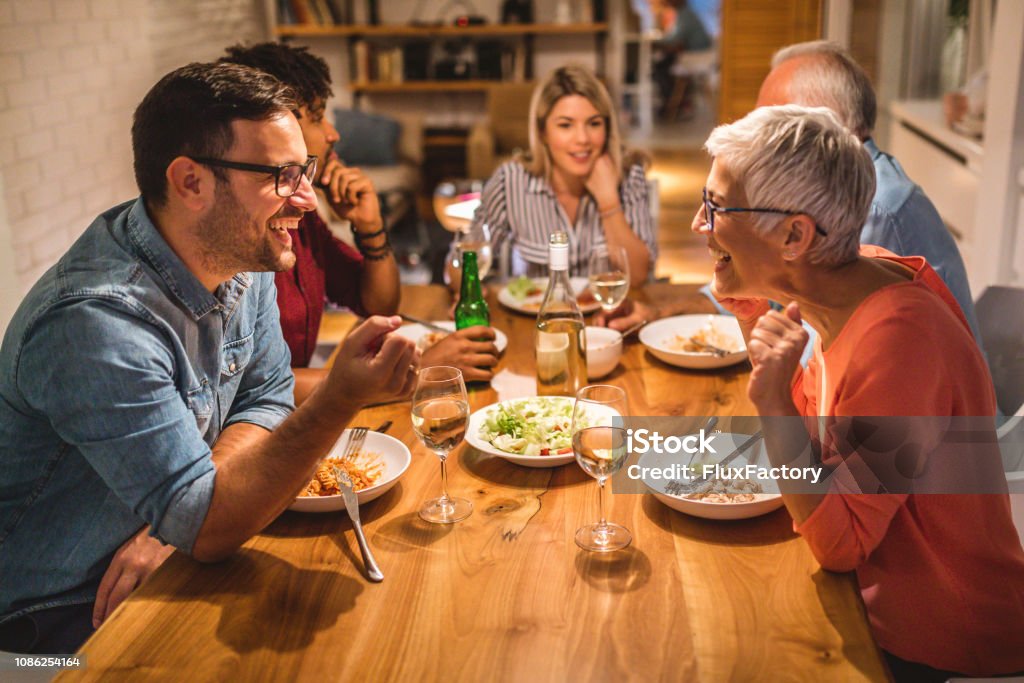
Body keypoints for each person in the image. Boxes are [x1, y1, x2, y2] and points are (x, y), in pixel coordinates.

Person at [0, 62, 419, 654]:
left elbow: (264, 398)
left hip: (172, 564)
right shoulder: (96, 324)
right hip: (53, 621)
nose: (305, 198)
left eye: (306, 171)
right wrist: (340, 397)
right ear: (191, 182)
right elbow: (208, 525)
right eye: (282, 175)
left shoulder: (242, 257)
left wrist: (183, 516)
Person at [696, 104, 1024, 679]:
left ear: (795, 234)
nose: (701, 225)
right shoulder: (858, 280)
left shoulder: (901, 341)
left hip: (936, 644)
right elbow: (822, 441)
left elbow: (840, 540)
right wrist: (755, 321)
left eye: (717, 208)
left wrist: (769, 404)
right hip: (869, 602)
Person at [600, 40, 983, 351]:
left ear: (821, 130)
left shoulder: (873, 207)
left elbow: (814, 359)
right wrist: (666, 312)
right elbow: (774, 280)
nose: (753, 134)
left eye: (772, 123)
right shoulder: (830, 194)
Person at [219, 43, 499, 391]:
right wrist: (417, 372)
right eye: (319, 116)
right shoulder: (233, 237)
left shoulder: (299, 217)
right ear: (276, 123)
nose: (333, 134)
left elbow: (376, 303)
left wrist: (371, 227)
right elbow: (254, 390)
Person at [466, 65, 656, 288]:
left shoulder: (629, 176)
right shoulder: (509, 181)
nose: (583, 138)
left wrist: (608, 201)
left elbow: (639, 276)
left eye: (594, 123)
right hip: (535, 316)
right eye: (565, 125)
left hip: (606, 317)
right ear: (542, 132)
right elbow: (464, 262)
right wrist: (467, 290)